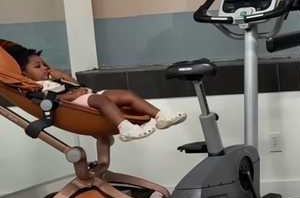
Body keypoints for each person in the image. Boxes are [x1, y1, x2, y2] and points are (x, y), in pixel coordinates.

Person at [8, 45, 186, 142]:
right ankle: (125, 128)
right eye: (37, 66)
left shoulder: (53, 79)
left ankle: (161, 117)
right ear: (24, 74)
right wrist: (74, 96)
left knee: (128, 95)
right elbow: (52, 100)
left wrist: (63, 76)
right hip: (76, 103)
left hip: (87, 95)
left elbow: (76, 85)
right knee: (102, 100)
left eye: (44, 64)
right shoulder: (36, 87)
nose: (44, 68)